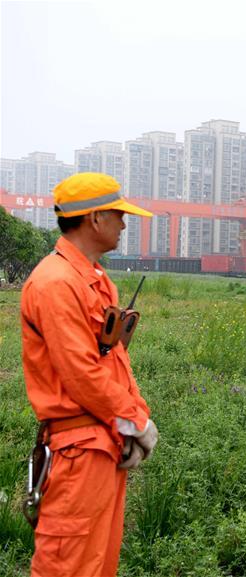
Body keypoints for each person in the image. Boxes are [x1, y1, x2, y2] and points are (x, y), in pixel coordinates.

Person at [20, 172, 159, 577]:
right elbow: (81, 374)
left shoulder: (94, 282)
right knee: (68, 567)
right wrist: (134, 423)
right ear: (95, 219)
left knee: (98, 565)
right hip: (78, 454)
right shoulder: (54, 283)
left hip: (101, 447)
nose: (124, 223)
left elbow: (112, 364)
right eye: (117, 214)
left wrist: (128, 425)